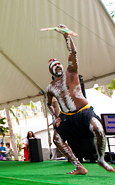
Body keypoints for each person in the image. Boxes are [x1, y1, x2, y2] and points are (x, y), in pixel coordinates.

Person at [46, 24, 115, 175]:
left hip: (84, 112)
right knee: (57, 139)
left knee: (98, 129)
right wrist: (55, 116)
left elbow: (73, 52)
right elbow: (48, 104)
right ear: (51, 70)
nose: (57, 66)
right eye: (54, 65)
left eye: (58, 64)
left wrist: (66, 34)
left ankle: (101, 159)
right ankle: (78, 166)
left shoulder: (71, 72)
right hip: (67, 118)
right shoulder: (50, 87)